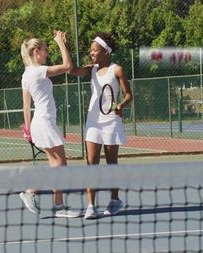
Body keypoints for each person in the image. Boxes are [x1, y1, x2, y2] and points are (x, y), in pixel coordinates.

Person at [69, 32, 133, 219]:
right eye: (91, 51)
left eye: (95, 50)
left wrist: (121, 105)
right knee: (91, 163)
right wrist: (62, 45)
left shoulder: (117, 70)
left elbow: (128, 94)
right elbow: (72, 70)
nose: (91, 53)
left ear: (106, 51)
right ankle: (91, 206)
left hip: (112, 121)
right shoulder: (91, 69)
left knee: (111, 163)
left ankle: (115, 200)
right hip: (93, 122)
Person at [19, 30, 79, 218]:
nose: (47, 53)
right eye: (45, 50)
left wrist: (28, 130)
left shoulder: (26, 74)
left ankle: (57, 205)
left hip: (39, 122)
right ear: (36, 51)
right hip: (44, 121)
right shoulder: (38, 71)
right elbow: (68, 66)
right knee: (60, 163)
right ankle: (32, 192)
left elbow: (26, 106)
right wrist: (61, 42)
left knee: (57, 163)